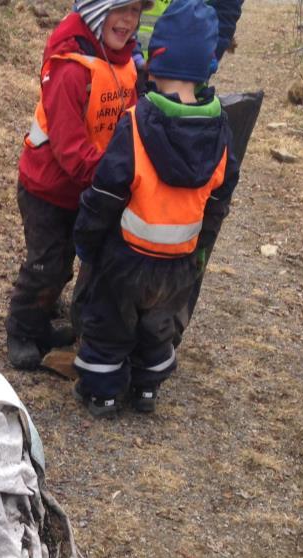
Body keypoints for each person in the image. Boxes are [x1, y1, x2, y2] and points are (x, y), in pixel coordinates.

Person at [72, 0, 239, 417]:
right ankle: (147, 389)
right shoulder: (220, 130)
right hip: (179, 262)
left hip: (128, 258)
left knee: (109, 322)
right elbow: (220, 197)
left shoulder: (137, 122)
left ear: (155, 60)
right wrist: (200, 250)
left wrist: (87, 242)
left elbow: (107, 191)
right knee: (156, 326)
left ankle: (104, 392)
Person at [5, 0, 152, 371]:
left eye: (136, 11)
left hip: (89, 188)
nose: (129, 20)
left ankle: (40, 323)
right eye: (121, 9)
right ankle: (21, 328)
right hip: (47, 189)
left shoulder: (125, 64)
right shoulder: (70, 69)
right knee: (46, 264)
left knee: (66, 262)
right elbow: (70, 149)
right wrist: (117, 178)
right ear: (97, 11)